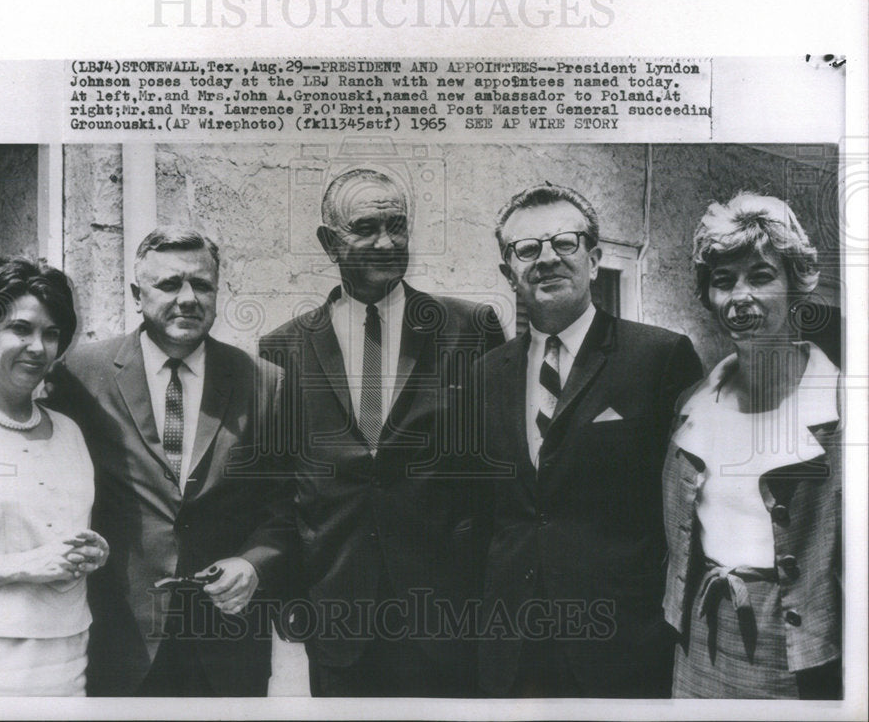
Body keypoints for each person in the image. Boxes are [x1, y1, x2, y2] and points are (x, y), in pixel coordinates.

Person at [0, 228, 290, 696]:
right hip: (116, 644)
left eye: (202, 285)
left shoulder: (265, 383)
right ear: (136, 294)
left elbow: (290, 506)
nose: (187, 298)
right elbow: (5, 409)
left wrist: (255, 564)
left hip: (227, 646)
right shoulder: (80, 373)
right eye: (168, 284)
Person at [259, 168, 505, 697]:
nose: (386, 242)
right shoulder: (283, 349)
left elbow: (495, 479)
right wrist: (290, 596)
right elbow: (280, 491)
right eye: (366, 227)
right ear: (329, 243)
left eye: (397, 225)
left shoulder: (470, 329)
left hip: (446, 616)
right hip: (338, 619)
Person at [478, 182, 703, 698]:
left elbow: (690, 513)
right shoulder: (486, 374)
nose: (547, 259)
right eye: (527, 250)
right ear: (508, 271)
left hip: (620, 643)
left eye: (565, 243)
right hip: (512, 646)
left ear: (595, 258)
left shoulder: (660, 358)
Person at [662, 193, 841, 699]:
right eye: (723, 281)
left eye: (761, 276)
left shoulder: (845, 409)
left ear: (796, 284)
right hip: (699, 637)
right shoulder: (691, 404)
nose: (740, 296)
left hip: (802, 648)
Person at [0, 257, 109, 696]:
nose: (38, 347)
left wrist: (86, 552)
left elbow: (50, 541)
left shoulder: (69, 432)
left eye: (51, 334)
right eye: (21, 329)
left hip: (66, 665)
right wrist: (23, 567)